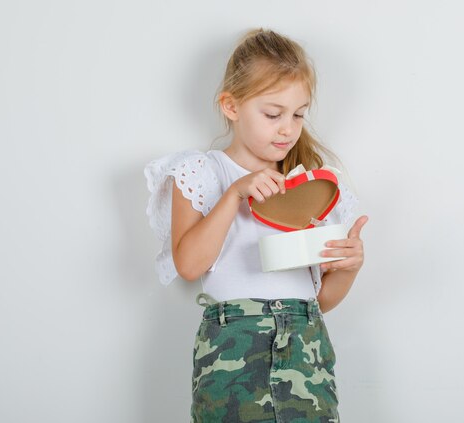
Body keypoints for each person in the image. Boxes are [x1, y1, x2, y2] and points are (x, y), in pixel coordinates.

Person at [144, 27, 368, 422]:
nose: (288, 128)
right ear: (231, 106)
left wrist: (349, 268)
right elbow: (189, 265)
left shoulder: (311, 187)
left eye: (298, 114)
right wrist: (234, 196)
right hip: (230, 350)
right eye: (272, 114)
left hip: (305, 347)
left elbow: (320, 301)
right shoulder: (202, 172)